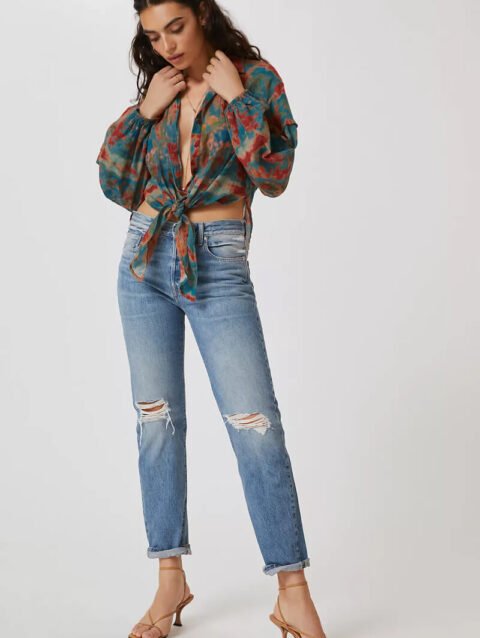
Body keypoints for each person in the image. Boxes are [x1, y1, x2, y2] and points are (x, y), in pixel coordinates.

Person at [96, 2, 327, 637]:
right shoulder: (161, 87)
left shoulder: (255, 79)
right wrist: (144, 113)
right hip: (144, 258)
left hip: (217, 263)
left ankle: (293, 591)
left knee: (256, 427)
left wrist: (239, 100)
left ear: (202, 14)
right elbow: (115, 184)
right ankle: (169, 579)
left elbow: (274, 175)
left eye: (176, 27)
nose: (167, 44)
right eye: (153, 35)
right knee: (156, 422)